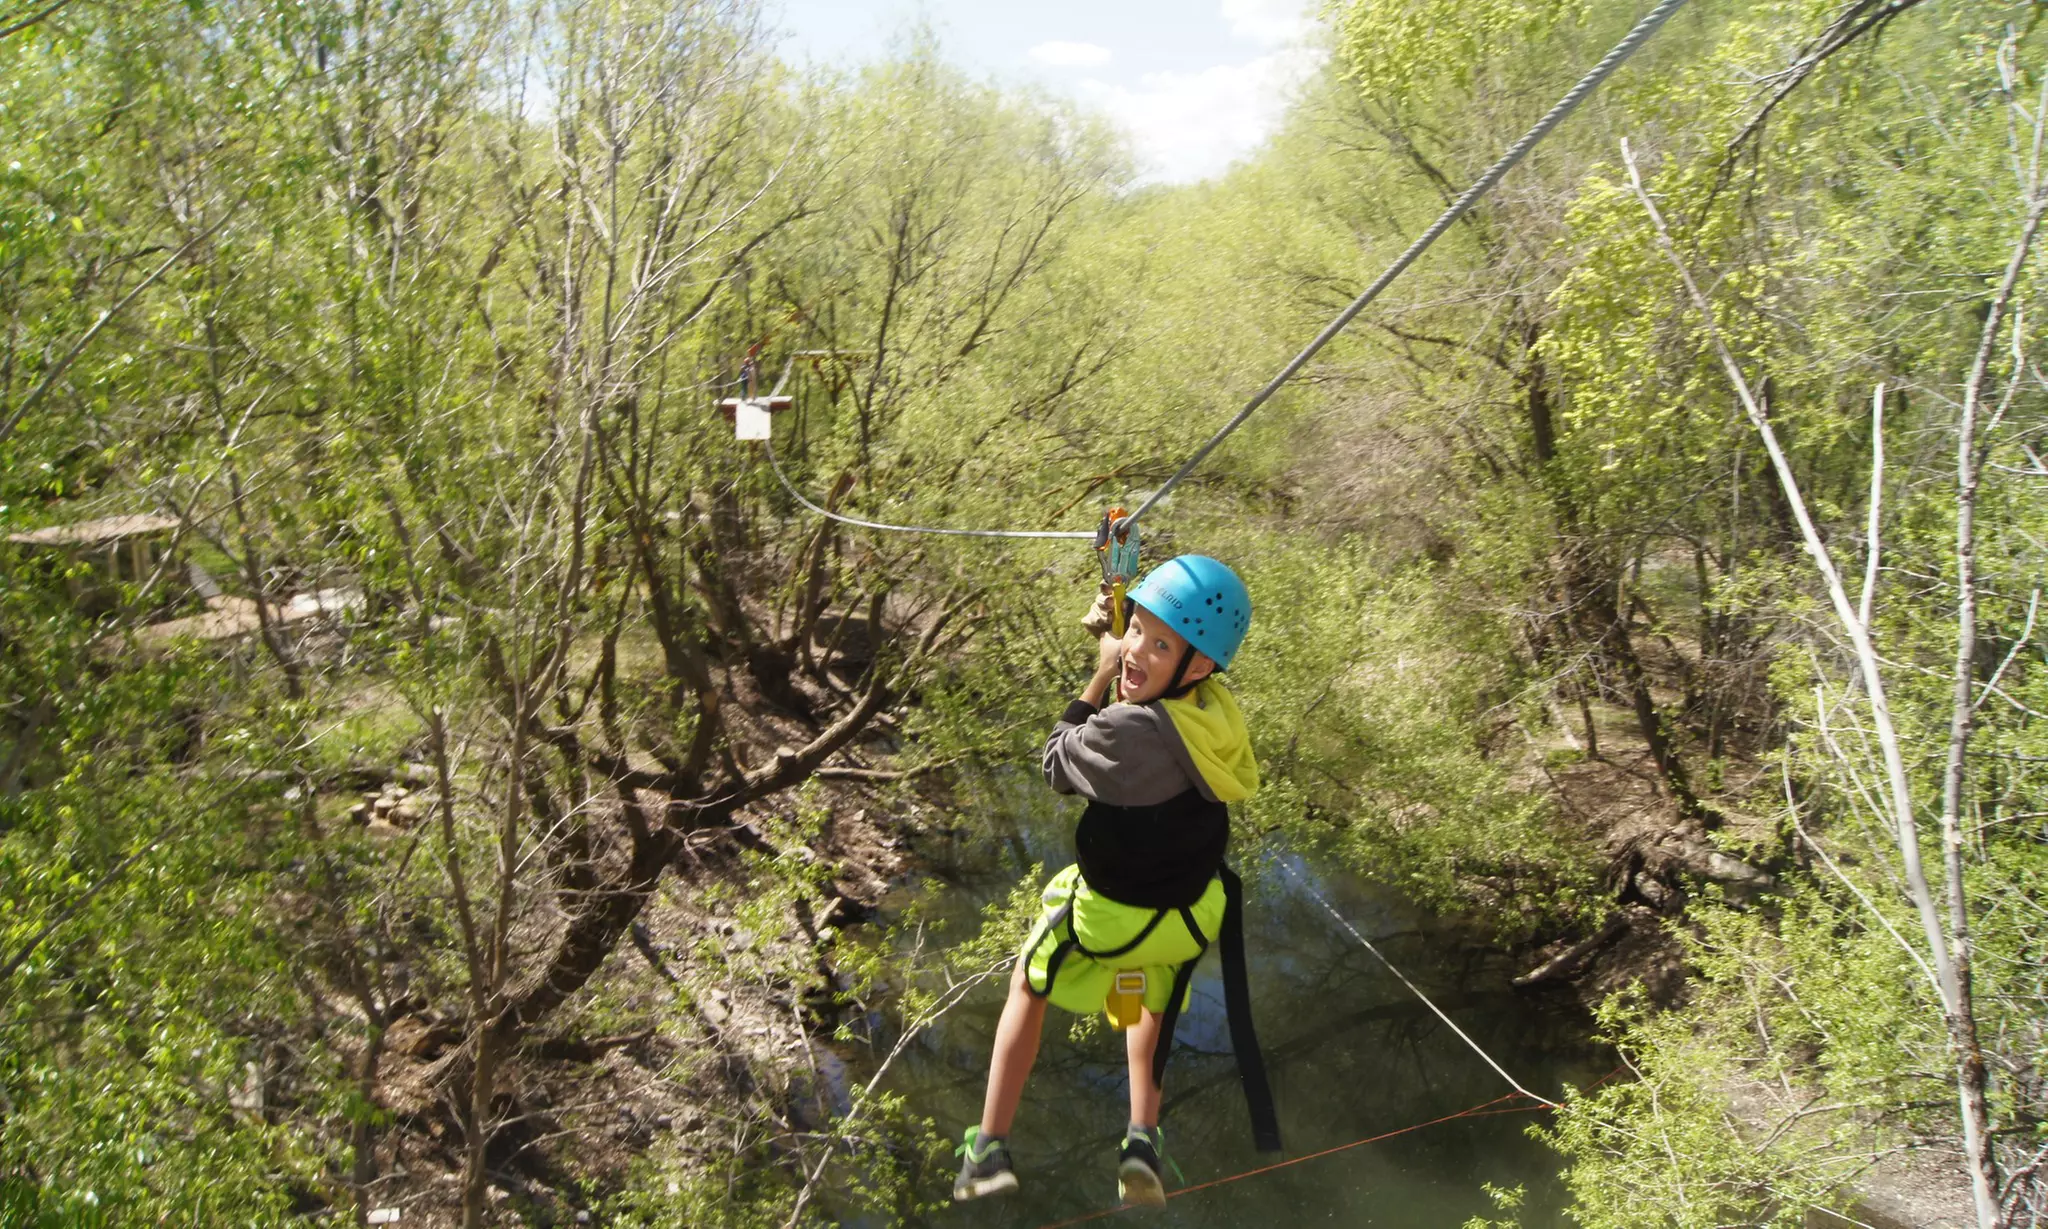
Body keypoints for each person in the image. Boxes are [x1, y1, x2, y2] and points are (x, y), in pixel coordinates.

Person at [954, 555, 1280, 1208]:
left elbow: (1055, 761)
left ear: (1198, 664)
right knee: (1140, 989)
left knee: (1029, 979)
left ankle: (987, 1147)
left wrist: (1102, 667)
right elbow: (1153, 684)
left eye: (1160, 644)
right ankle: (1140, 1138)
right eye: (1137, 630)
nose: (1136, 650)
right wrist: (1125, 626)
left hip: (1111, 914)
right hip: (1186, 920)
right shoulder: (1214, 711)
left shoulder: (1131, 728)